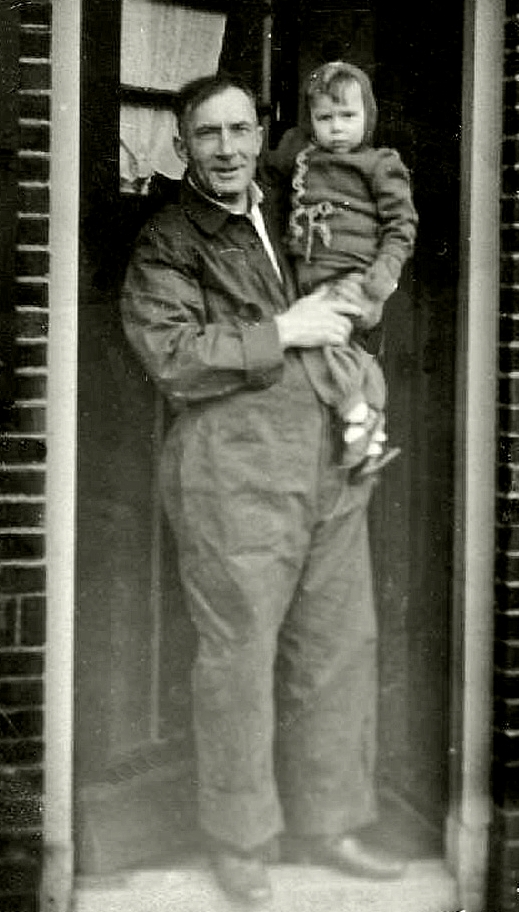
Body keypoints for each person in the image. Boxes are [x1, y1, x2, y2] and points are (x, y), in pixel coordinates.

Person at [121, 72, 405, 906]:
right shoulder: (170, 237)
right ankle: (239, 838)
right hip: (233, 472)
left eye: (240, 130)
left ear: (260, 134)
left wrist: (359, 304)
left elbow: (359, 271)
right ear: (182, 145)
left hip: (330, 460)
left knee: (337, 646)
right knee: (238, 660)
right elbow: (171, 354)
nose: (227, 149)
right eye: (207, 134)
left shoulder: (294, 202)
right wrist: (282, 330)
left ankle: (331, 822)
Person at [264, 60, 418, 474]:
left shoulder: (379, 164)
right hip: (309, 274)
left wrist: (385, 272)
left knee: (321, 346)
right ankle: (373, 425)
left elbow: (401, 224)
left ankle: (357, 419)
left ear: (368, 115)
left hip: (351, 274)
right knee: (342, 348)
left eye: (348, 116)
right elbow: (269, 169)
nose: (336, 128)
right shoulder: (302, 154)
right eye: (324, 118)